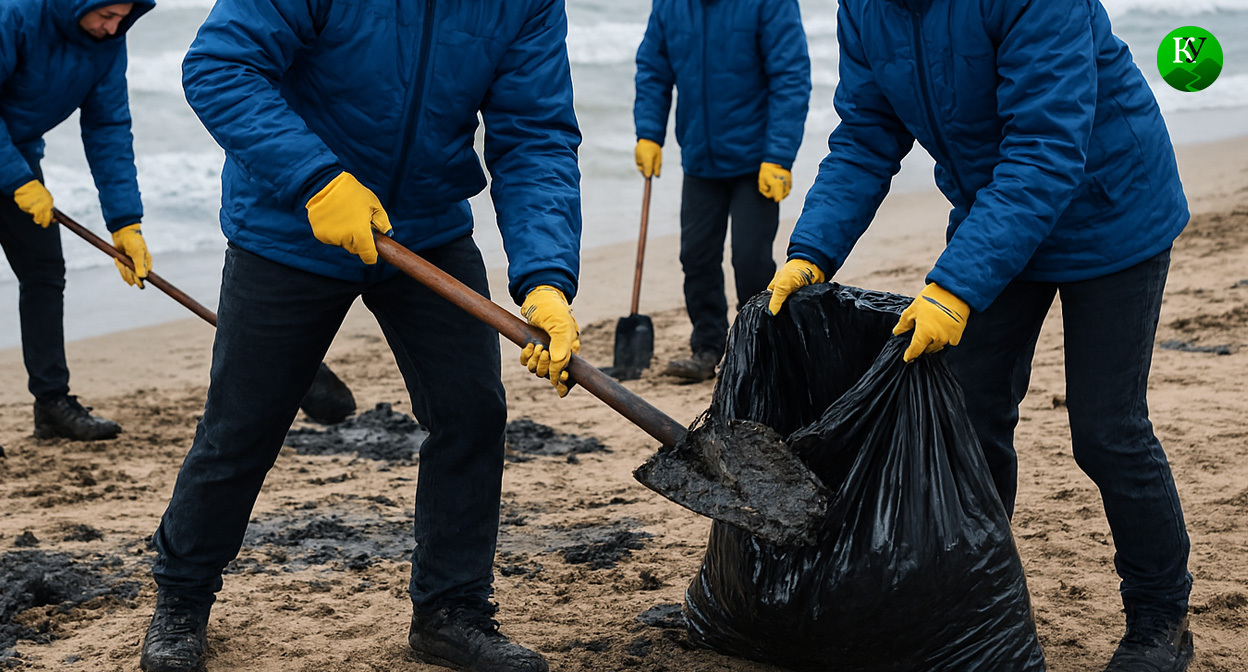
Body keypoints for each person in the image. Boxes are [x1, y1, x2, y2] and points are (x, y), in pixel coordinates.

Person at [138, 1, 582, 671]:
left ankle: (451, 610)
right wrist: (315, 177)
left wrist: (546, 278)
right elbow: (221, 66)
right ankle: (181, 600)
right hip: (290, 225)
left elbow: (536, 132)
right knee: (243, 424)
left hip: (426, 227)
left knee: (471, 411)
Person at [766, 1, 1194, 670]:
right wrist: (812, 249)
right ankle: (978, 598)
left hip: (1110, 211)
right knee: (968, 423)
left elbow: (1046, 147)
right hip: (995, 216)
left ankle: (1160, 618)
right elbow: (866, 134)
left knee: (1109, 433)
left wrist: (956, 288)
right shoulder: (866, 9)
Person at [1, 0, 155, 441]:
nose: (113, 27)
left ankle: (51, 404)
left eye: (122, 18)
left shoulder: (108, 43)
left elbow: (108, 126)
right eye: (107, 15)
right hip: (14, 167)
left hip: (17, 158)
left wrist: (126, 222)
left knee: (44, 274)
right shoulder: (15, 17)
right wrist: (17, 180)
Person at [633, 0, 811, 382]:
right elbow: (653, 69)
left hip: (757, 162)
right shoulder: (669, 5)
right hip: (700, 159)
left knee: (751, 263)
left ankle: (761, 350)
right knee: (696, 258)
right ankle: (708, 348)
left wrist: (779, 155)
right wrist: (649, 133)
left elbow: (790, 76)